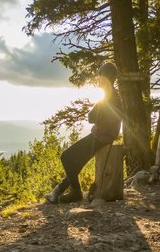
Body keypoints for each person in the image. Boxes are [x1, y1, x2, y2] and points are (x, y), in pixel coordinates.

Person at [45, 62, 124, 203]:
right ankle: (57, 191)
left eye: (99, 76)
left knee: (66, 156)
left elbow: (91, 117)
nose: (98, 79)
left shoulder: (108, 96)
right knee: (77, 163)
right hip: (103, 136)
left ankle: (75, 193)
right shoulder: (113, 95)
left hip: (101, 137)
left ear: (105, 77)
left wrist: (97, 116)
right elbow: (96, 117)